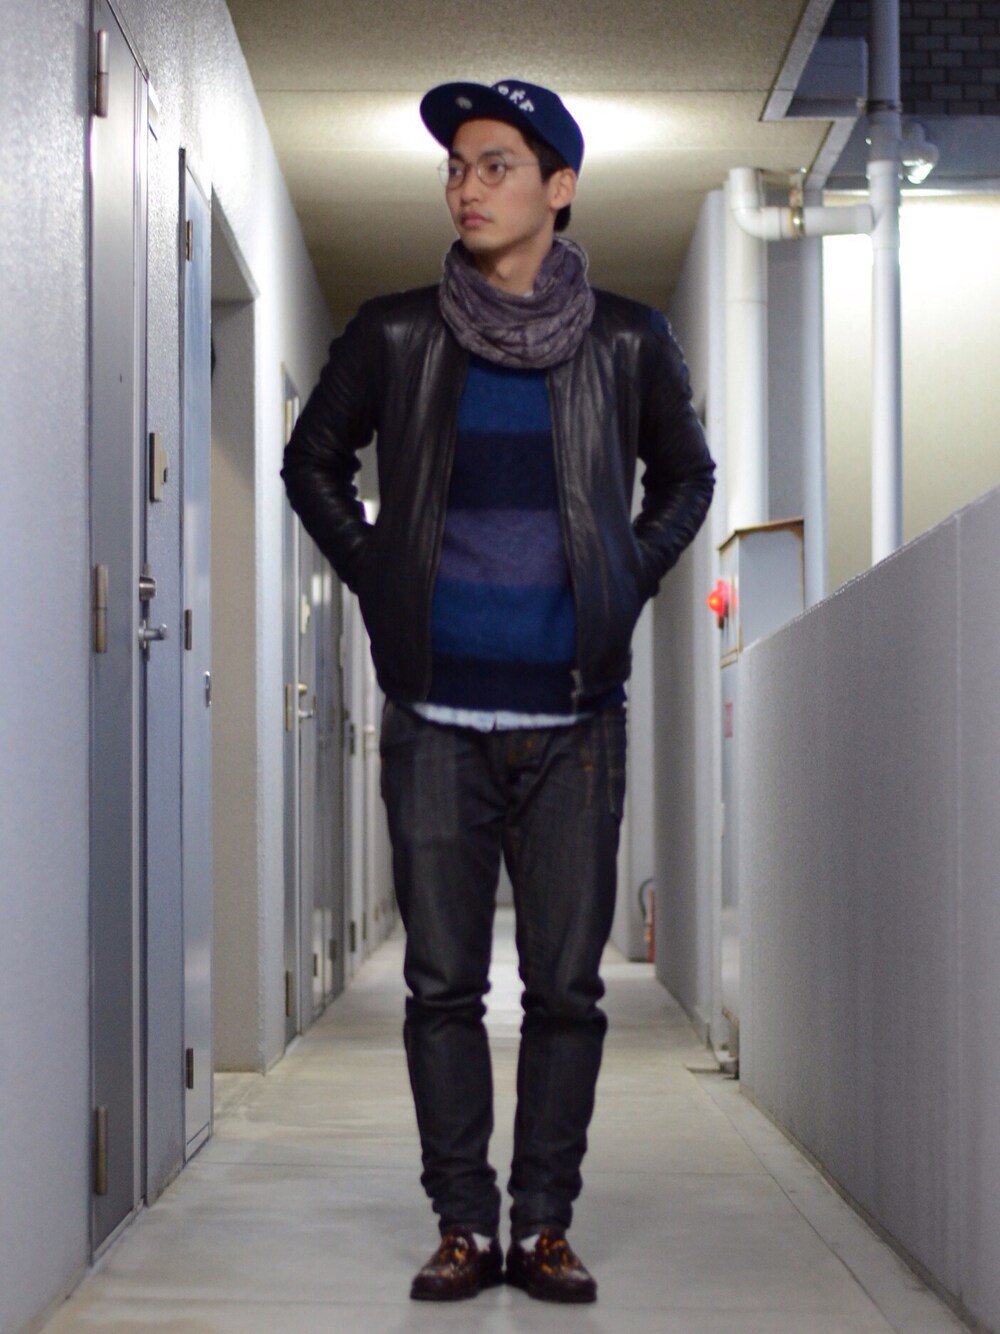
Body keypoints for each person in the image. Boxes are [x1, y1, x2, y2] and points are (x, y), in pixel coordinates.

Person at [282, 77, 715, 1305]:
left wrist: (624, 575)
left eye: (495, 166)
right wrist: (379, 572)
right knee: (442, 986)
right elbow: (312, 461)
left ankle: (547, 1224)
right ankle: (465, 1226)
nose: (465, 188)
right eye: (455, 168)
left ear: (558, 187)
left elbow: (685, 476)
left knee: (565, 990)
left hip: (575, 719)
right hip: (435, 716)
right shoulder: (394, 334)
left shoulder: (627, 339)